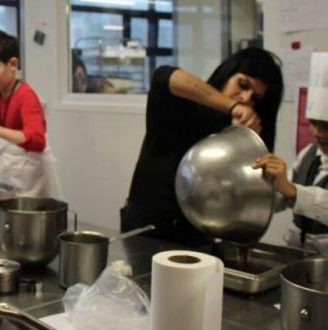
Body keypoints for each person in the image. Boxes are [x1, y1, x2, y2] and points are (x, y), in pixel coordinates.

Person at [120, 48, 284, 246]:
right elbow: (162, 76)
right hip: (147, 224)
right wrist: (230, 105)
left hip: (195, 232)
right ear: (228, 73)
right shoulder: (183, 104)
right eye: (242, 84)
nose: (246, 98)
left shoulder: (235, 133)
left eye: (255, 98)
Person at [0, 30, 60, 198]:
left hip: (36, 179)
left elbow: (37, 141)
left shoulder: (26, 95)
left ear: (12, 64)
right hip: (9, 175)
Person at [253, 52, 328, 255]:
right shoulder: (308, 154)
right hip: (299, 251)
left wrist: (292, 190)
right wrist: (259, 191)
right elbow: (285, 197)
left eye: (325, 127)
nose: (316, 133)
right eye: (313, 123)